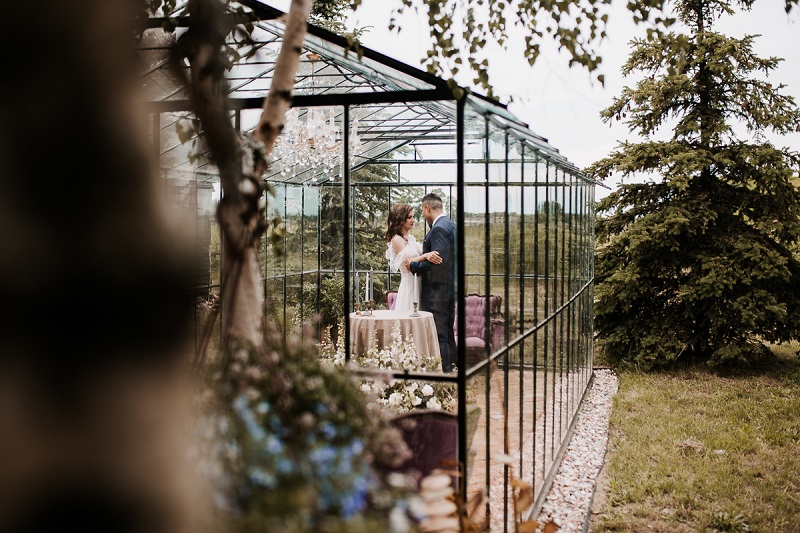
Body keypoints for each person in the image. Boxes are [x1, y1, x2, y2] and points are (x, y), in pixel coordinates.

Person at [409, 194, 456, 372]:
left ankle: (446, 373)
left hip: (438, 291)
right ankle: (453, 369)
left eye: (422, 210)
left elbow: (436, 263)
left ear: (427, 207)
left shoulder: (439, 229)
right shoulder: (451, 225)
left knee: (440, 334)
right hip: (449, 290)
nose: (422, 215)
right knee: (448, 332)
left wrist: (414, 265)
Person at [385, 203, 442, 311]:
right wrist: (425, 256)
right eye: (409, 217)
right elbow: (407, 262)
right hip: (409, 285)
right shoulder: (396, 239)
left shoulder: (410, 238)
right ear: (400, 219)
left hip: (419, 283)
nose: (413, 220)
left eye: (413, 217)